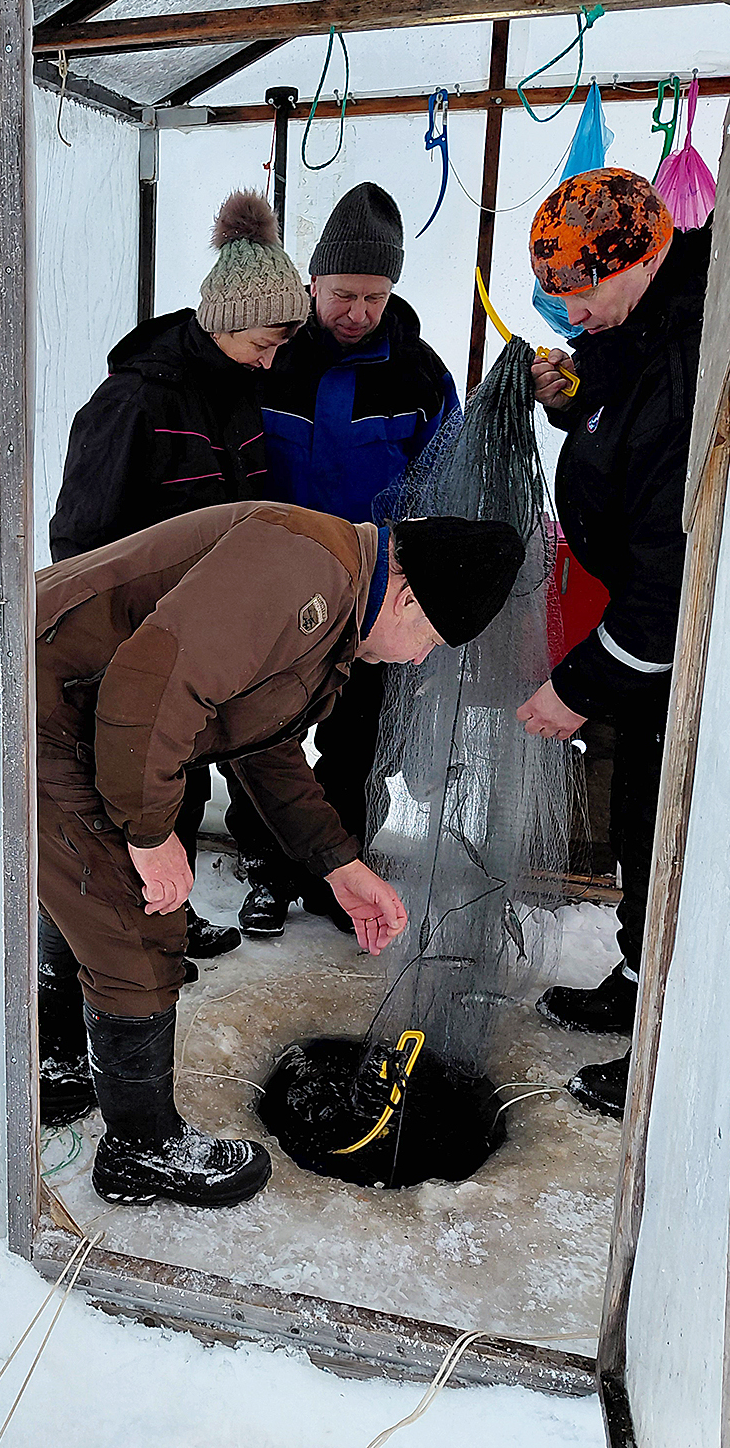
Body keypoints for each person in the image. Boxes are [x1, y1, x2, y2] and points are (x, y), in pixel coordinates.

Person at [37, 502, 524, 1207]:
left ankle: (57, 1061)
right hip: (43, 705)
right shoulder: (302, 568)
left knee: (86, 893)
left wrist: (335, 861)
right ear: (408, 592)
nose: (418, 658)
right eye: (429, 638)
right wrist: (147, 836)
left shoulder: (331, 601)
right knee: (134, 920)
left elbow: (257, 741)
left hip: (76, 710)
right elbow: (153, 685)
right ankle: (140, 1151)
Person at [37, 189, 309, 1127]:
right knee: (98, 847)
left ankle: (168, 909)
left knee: (174, 794)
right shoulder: (133, 402)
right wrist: (115, 643)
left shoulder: (238, 396)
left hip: (188, 655)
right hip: (112, 654)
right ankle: (55, 1045)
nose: (275, 360)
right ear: (224, 323)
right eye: (264, 344)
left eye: (281, 347)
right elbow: (78, 541)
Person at [513, 168, 709, 1118]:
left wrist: (575, 687)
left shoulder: (684, 358)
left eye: (577, 293)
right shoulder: (640, 326)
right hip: (647, 650)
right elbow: (616, 422)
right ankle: (640, 981)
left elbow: (669, 582)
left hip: (688, 651)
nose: (566, 311)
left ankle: (675, 1047)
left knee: (684, 838)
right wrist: (570, 398)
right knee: (641, 814)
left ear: (635, 260)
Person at [237, 182, 461, 940]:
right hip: (272, 587)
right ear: (312, 281)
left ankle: (341, 871)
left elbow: (442, 481)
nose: (355, 311)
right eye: (341, 294)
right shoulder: (270, 356)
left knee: (353, 738)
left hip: (372, 598)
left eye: (372, 295)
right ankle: (267, 867)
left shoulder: (421, 375)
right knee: (259, 728)